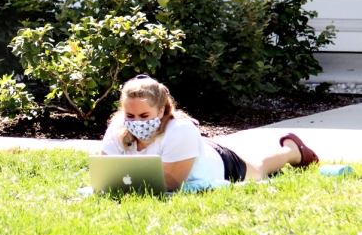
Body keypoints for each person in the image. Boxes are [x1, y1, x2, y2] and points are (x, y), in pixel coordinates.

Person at [101, 75, 320, 191]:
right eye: (130, 116)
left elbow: (171, 184)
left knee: (259, 168)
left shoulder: (180, 129)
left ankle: (292, 150)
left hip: (220, 164)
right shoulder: (118, 125)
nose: (136, 122)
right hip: (194, 151)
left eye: (144, 116)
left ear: (161, 110)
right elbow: (104, 173)